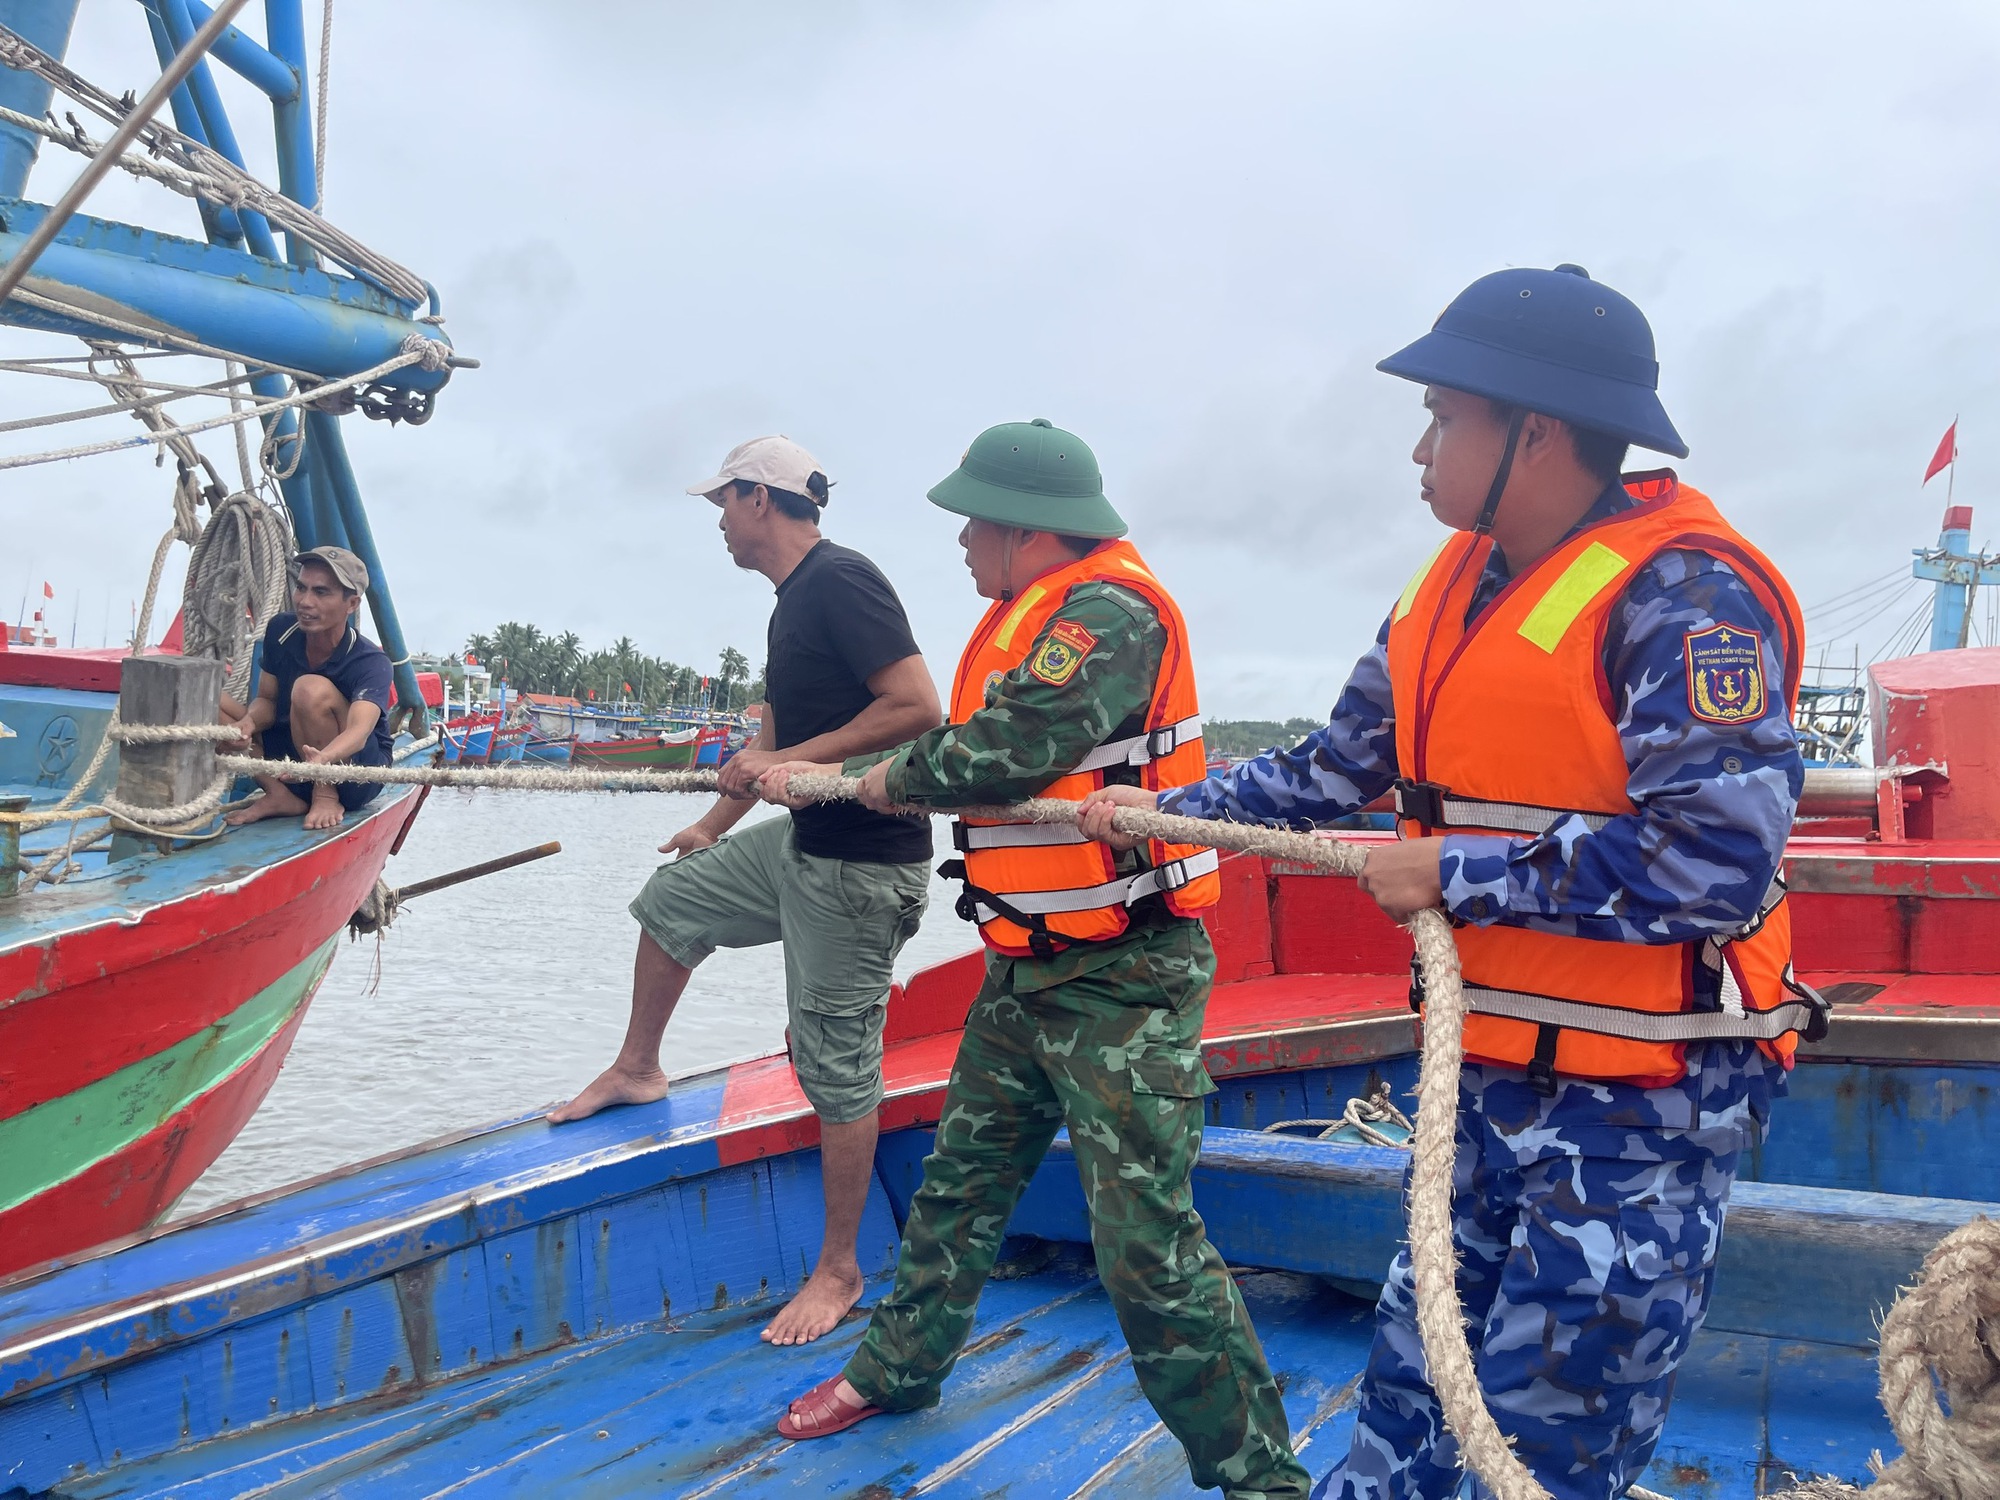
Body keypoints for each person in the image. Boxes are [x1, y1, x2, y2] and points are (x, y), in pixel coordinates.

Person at [1081, 265, 1826, 1500]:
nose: (1418, 449)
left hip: (1633, 1115)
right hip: (1480, 1079)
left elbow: (1713, 862)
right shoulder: (1444, 592)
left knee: (1548, 1446)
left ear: (1533, 431)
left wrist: (1455, 875)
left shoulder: (1688, 600)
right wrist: (1155, 817)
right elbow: (1332, 770)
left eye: (1441, 417)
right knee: (1410, 1398)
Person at [758, 419, 1312, 1500]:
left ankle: (1258, 1479)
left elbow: (1013, 748)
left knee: (1144, 1247)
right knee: (959, 1184)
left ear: (1026, 531)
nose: (963, 541)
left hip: (1122, 979)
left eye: (974, 523)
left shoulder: (1104, 612)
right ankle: (900, 1368)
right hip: (1028, 966)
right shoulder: (1032, 614)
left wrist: (885, 773)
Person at [549, 435, 941, 1349]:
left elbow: (919, 707)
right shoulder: (788, 604)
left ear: (760, 498)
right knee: (670, 902)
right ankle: (639, 1069)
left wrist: (788, 761)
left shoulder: (843, 580)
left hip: (862, 867)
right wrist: (712, 826)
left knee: (832, 1065)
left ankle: (840, 1268)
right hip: (802, 841)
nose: (719, 522)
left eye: (722, 503)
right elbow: (773, 733)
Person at [220, 545, 394, 831]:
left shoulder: (371, 662)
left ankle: (325, 795)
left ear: (351, 604)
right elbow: (267, 699)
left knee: (308, 689)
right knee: (206, 700)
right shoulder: (281, 630)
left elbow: (358, 733)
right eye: (302, 588)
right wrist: (247, 724)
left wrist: (321, 762)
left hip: (352, 776)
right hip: (293, 766)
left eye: (321, 592)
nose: (305, 601)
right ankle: (279, 795)